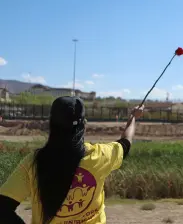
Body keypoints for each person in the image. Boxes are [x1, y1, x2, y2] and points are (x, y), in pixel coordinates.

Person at [0, 96, 144, 224]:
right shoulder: (100, 155)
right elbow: (126, 143)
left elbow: (3, 208)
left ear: (51, 124)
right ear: (83, 125)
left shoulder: (34, 162)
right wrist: (133, 118)